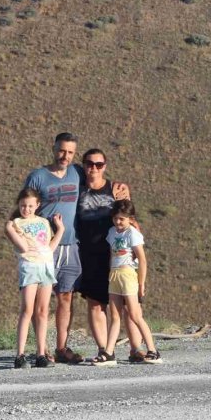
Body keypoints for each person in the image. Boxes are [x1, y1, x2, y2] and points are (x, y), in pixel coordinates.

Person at [76, 149, 146, 363]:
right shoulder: (77, 191)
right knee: (96, 304)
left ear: (105, 166)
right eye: (89, 163)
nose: (93, 168)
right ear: (84, 165)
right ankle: (105, 350)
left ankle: (136, 349)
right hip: (90, 255)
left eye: (98, 164)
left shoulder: (115, 190)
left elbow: (129, 219)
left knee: (128, 304)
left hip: (118, 257)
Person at [23, 132, 84, 364]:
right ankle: (42, 348)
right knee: (42, 301)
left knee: (66, 297)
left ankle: (62, 348)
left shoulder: (77, 173)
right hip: (45, 248)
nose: (64, 156)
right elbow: (26, 210)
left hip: (71, 244)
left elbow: (98, 182)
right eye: (61, 150)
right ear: (53, 149)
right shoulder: (38, 177)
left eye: (69, 152)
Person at [93, 199, 161, 366]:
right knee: (115, 316)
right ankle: (108, 353)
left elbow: (142, 260)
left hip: (128, 274)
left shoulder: (133, 234)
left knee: (135, 315)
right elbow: (112, 254)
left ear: (130, 218)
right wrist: (110, 273)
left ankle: (153, 350)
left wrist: (141, 283)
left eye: (122, 219)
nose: (118, 222)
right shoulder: (112, 232)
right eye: (116, 218)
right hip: (115, 275)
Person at [4, 188, 64, 369]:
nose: (27, 209)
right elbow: (22, 247)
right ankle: (20, 355)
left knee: (43, 311)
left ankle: (40, 354)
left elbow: (49, 247)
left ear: (37, 205)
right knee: (27, 310)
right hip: (29, 266)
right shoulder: (16, 223)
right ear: (18, 205)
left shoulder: (44, 222)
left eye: (30, 206)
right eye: (23, 205)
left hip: (46, 266)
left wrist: (60, 229)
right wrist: (9, 229)